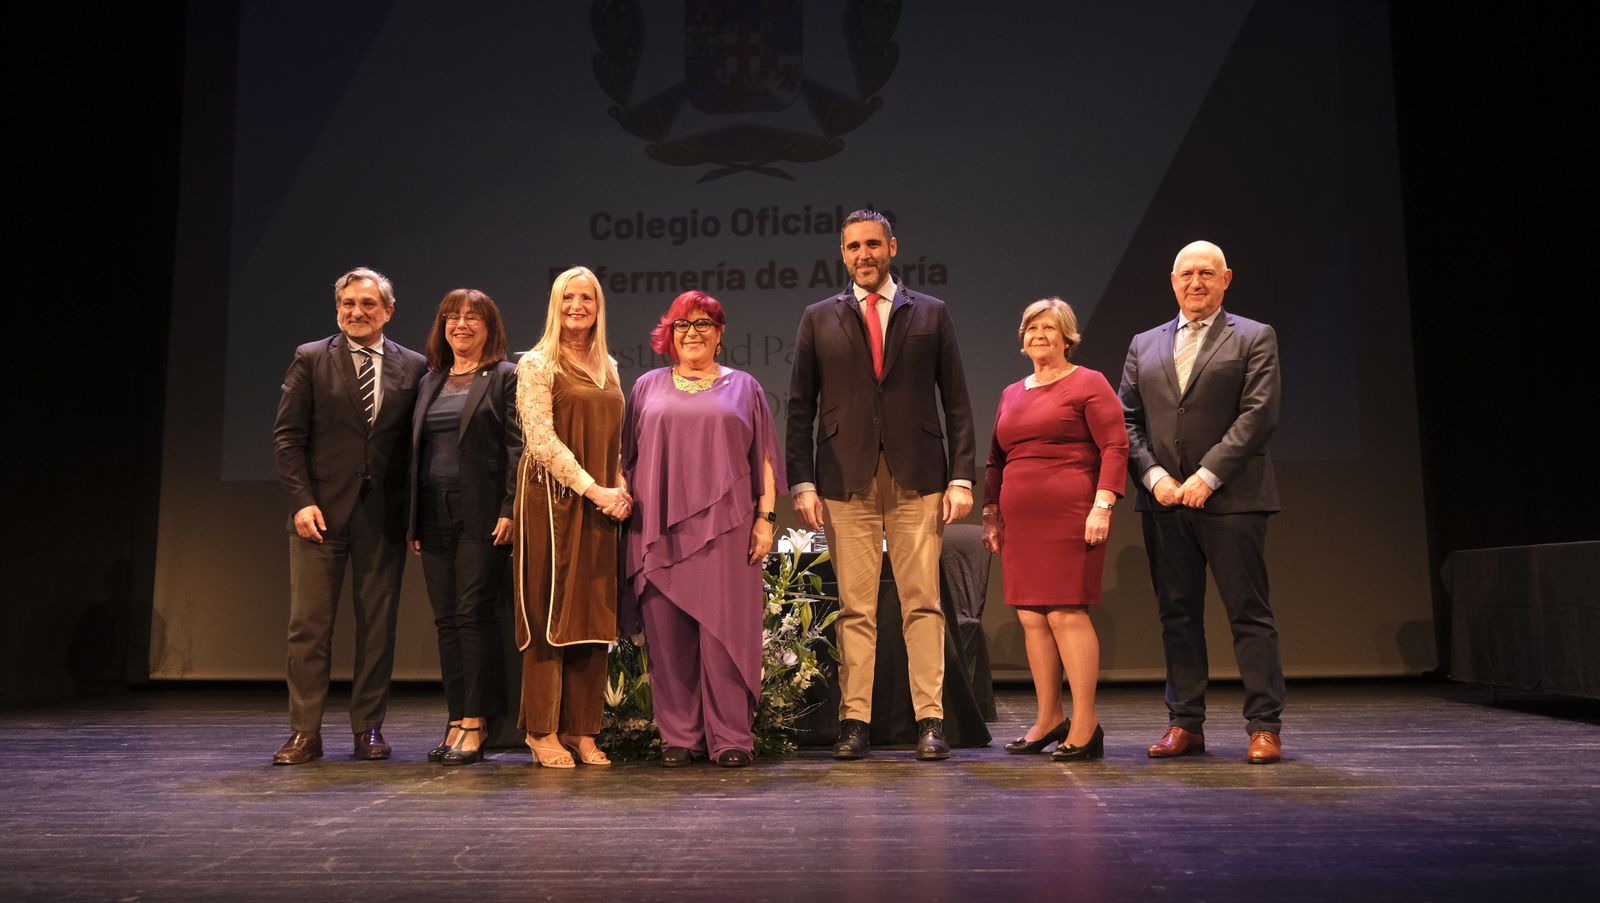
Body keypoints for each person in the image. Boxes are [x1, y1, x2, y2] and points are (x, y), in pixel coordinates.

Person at [785, 209, 977, 761]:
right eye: (853, 247)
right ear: (842, 254)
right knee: (855, 608)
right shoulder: (818, 317)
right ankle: (854, 721)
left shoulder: (932, 314)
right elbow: (800, 407)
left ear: (892, 246)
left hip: (919, 476)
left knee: (923, 603)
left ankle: (931, 718)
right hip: (845, 478)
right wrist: (802, 481)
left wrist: (960, 477)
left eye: (873, 244)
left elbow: (958, 401)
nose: (863, 255)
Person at [1118, 240, 1287, 765]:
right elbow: (1126, 421)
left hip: (1232, 499)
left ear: (1226, 279)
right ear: (1173, 282)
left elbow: (1258, 415)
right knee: (1177, 615)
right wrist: (1154, 477)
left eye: (1207, 274)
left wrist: (1208, 475)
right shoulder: (1143, 344)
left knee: (1248, 614)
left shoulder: (1255, 336)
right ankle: (1185, 724)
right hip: (1165, 502)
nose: (1196, 282)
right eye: (1187, 274)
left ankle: (1264, 725)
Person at [272, 266, 427, 765]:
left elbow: (414, 447)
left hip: (382, 517)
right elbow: (288, 438)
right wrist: (301, 500)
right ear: (338, 308)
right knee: (309, 627)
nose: (356, 313)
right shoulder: (312, 359)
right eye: (348, 304)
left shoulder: (415, 366)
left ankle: (369, 729)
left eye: (367, 304)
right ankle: (305, 731)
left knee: (377, 629)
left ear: (388, 311)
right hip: (320, 516)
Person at [622, 291, 783, 768]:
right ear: (668, 334)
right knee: (667, 640)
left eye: (703, 324)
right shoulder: (646, 386)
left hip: (729, 528)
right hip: (656, 528)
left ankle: (731, 737)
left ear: (720, 333)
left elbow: (766, 460)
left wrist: (765, 518)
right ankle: (679, 737)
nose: (692, 332)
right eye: (681, 325)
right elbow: (625, 459)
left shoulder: (745, 387)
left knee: (725, 636)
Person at [983, 298, 1128, 762]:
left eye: (1049, 327)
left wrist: (1103, 505)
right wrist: (991, 511)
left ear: (1068, 336)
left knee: (1066, 612)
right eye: (1031, 328)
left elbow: (1115, 445)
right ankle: (1049, 718)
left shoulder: (1089, 382)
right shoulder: (1011, 393)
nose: (1039, 335)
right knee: (1030, 616)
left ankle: (1086, 724)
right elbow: (995, 459)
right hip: (1020, 520)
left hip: (1071, 512)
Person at [514, 266, 630, 769]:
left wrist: (620, 487)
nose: (577, 306)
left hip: (601, 500)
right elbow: (540, 441)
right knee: (548, 612)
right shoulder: (537, 364)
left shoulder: (611, 366)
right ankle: (541, 730)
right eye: (568, 297)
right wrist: (593, 489)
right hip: (552, 500)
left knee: (593, 613)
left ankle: (582, 729)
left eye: (587, 297)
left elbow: (618, 440)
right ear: (555, 305)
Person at [408, 289, 523, 766]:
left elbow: (519, 448)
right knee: (446, 619)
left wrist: (511, 507)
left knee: (473, 614)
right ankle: (456, 718)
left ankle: (477, 722)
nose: (461, 324)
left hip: (482, 513)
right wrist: (413, 519)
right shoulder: (429, 380)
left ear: (489, 327)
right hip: (432, 513)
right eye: (452, 317)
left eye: (473, 318)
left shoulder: (504, 377)